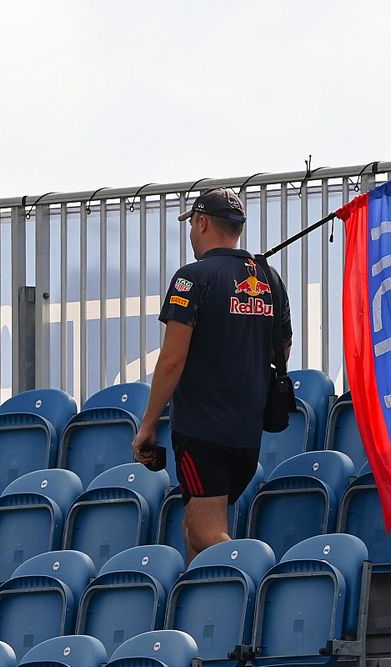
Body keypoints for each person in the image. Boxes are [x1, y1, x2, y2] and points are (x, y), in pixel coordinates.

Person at [131, 187, 291, 563]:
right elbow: (281, 351)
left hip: (203, 429)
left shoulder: (191, 278)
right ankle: (208, 617)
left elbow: (171, 359)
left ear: (201, 223)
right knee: (193, 531)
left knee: (206, 531)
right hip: (247, 431)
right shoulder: (269, 277)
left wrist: (149, 425)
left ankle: (259, 573)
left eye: (191, 224)